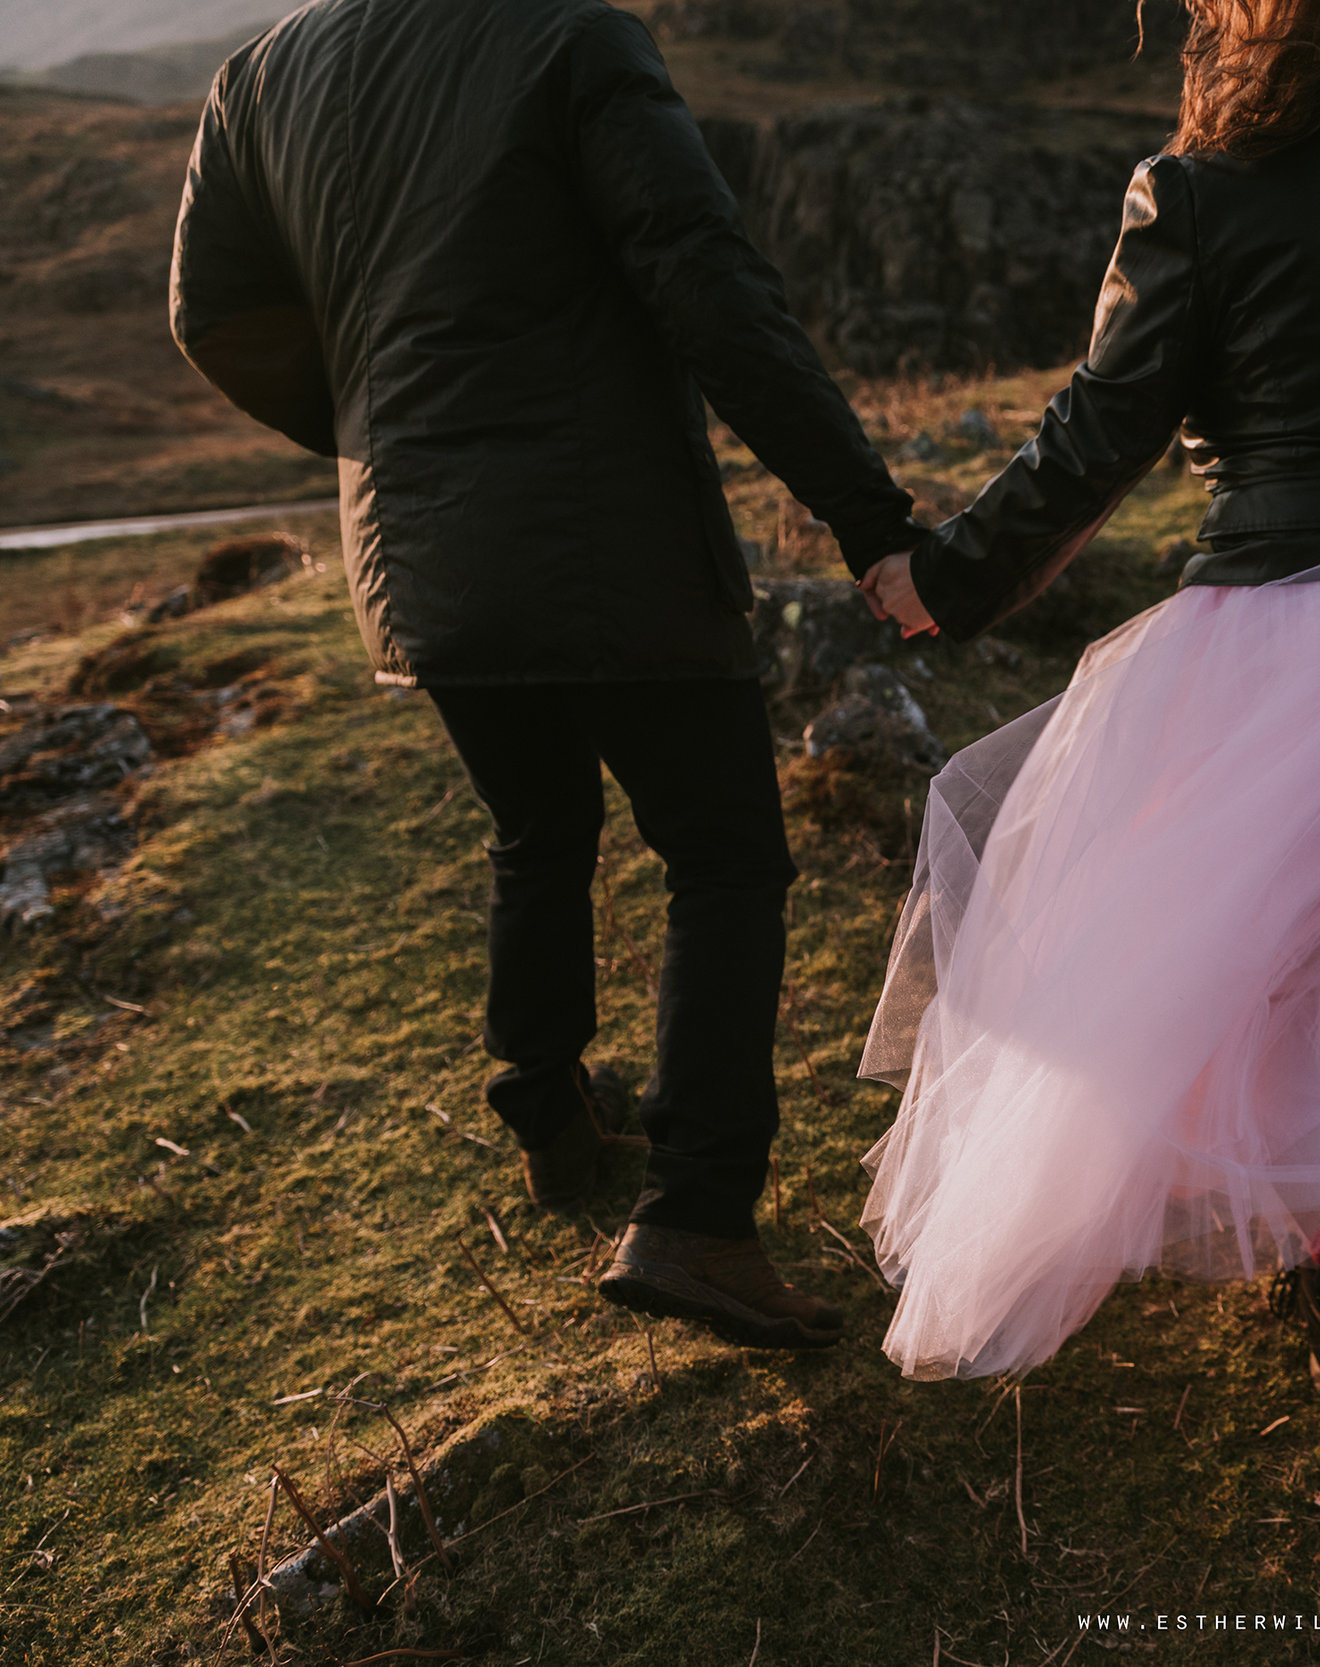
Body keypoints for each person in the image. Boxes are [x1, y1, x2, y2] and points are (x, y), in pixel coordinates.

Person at [851, 0, 1320, 1455]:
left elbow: (1095, 436)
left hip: (1307, 621)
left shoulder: (1199, 193)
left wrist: (942, 580)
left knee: (1225, 966)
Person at [169, 0, 928, 1350]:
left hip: (414, 551)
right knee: (724, 853)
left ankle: (546, 1104)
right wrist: (865, 516)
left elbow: (211, 309)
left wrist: (374, 427)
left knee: (539, 822)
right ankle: (696, 1214)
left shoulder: (261, 74)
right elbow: (709, 280)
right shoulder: (569, 36)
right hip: (603, 534)